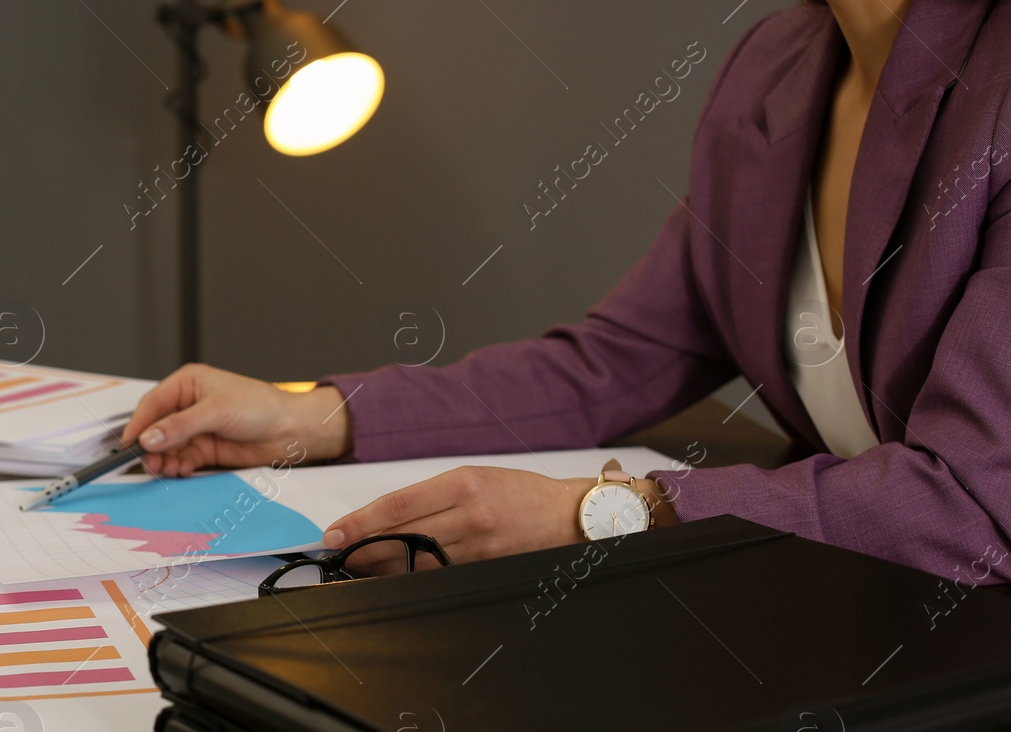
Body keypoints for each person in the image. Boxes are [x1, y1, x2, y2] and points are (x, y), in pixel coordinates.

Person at [120, 0, 1011, 582]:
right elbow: (614, 362)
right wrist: (310, 417)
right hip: (853, 616)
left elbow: (972, 502)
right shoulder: (780, 63)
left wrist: (601, 513)